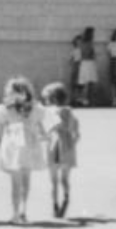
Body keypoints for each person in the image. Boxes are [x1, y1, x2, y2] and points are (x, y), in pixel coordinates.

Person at [0, 76, 47, 224]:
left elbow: (0, 130)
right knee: (26, 179)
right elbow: (40, 128)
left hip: (13, 145)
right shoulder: (35, 108)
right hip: (30, 144)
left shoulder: (5, 109)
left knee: (15, 183)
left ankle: (15, 213)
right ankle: (24, 210)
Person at [42, 82, 80, 218]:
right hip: (67, 145)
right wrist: (71, 143)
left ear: (51, 99)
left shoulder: (49, 112)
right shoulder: (70, 112)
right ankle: (66, 197)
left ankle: (55, 204)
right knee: (65, 178)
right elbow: (76, 133)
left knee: (53, 180)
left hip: (54, 146)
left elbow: (45, 131)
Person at [76, 27, 98, 107]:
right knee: (88, 82)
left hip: (84, 63)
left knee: (86, 82)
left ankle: (85, 99)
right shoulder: (89, 43)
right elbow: (90, 53)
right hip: (89, 62)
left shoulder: (81, 42)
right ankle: (86, 99)